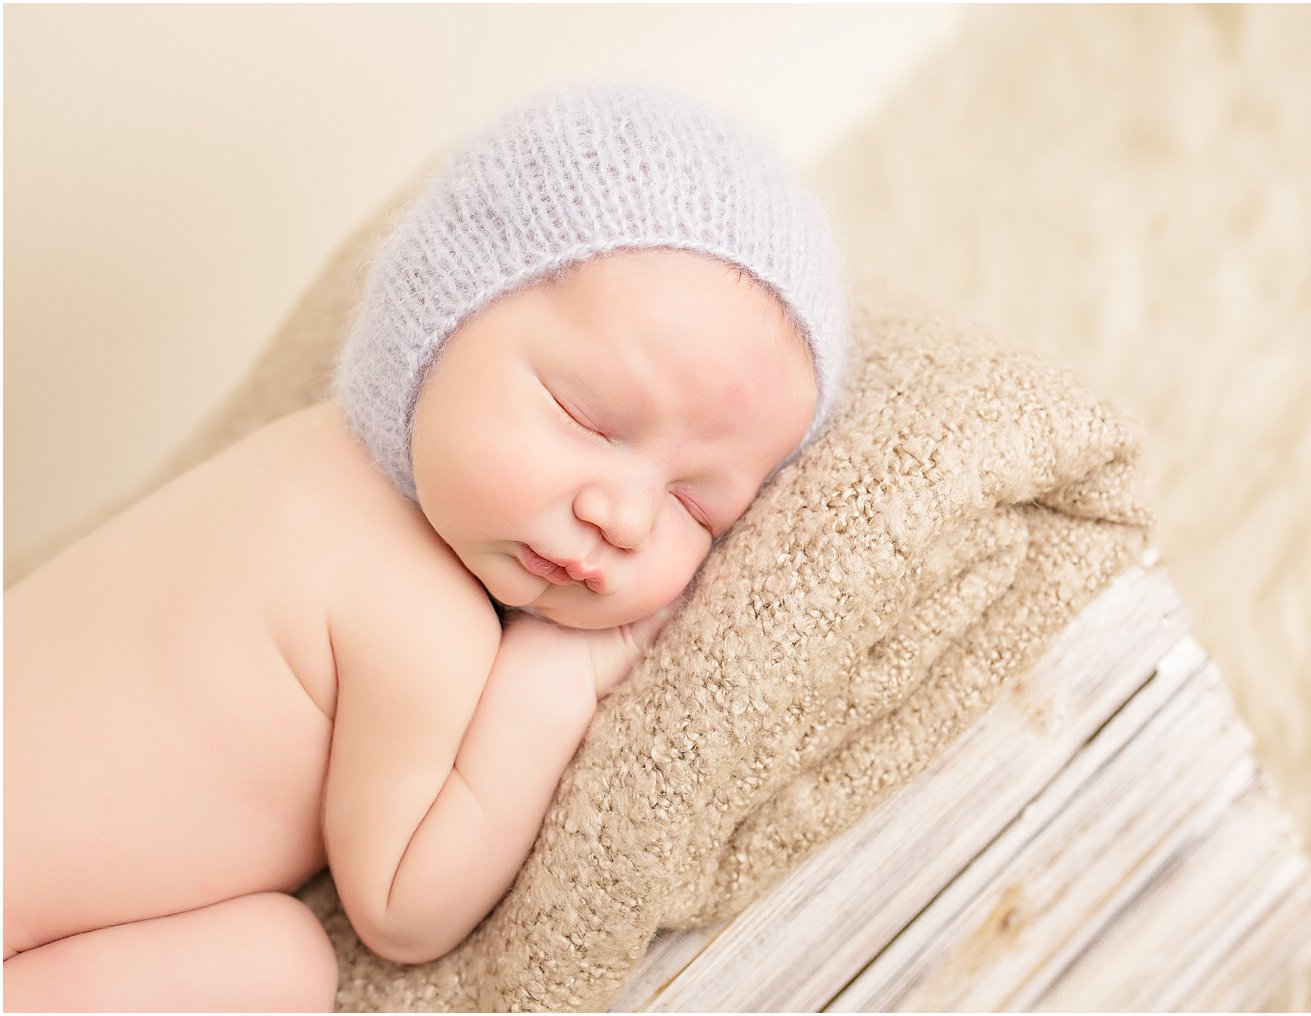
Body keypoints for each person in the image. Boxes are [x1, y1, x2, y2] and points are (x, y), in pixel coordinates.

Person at [2, 79, 849, 1011]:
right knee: (283, 959)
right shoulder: (416, 610)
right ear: (438, 321)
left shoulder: (300, 451)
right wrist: (562, 673)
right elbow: (403, 909)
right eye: (586, 416)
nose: (628, 517)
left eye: (699, 507)